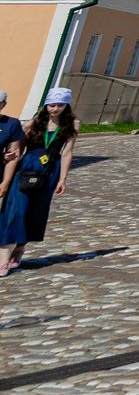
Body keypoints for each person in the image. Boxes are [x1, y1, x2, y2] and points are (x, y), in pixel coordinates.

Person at [0, 91, 77, 275]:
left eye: (59, 104)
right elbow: (18, 145)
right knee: (15, 210)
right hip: (26, 167)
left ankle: (20, 248)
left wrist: (63, 178)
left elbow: (67, 152)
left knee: (36, 211)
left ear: (66, 105)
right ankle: (3, 259)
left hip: (49, 170)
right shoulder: (33, 123)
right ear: (46, 105)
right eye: (52, 104)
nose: (55, 108)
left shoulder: (72, 125)